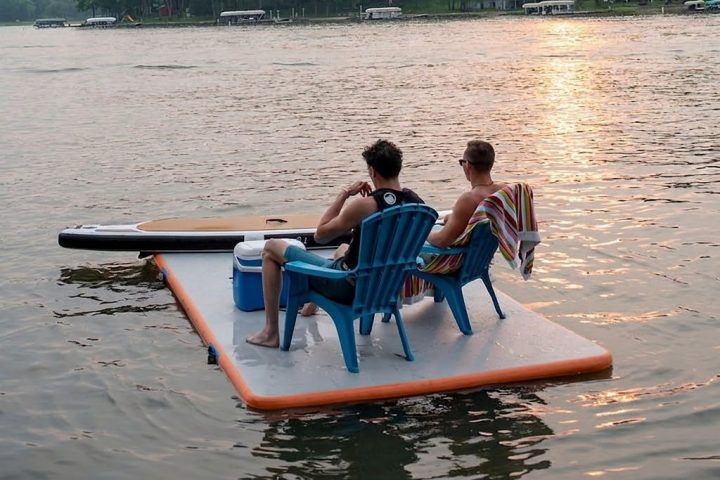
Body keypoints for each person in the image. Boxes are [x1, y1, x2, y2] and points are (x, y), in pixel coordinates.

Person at [246, 139, 424, 348]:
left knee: (271, 248)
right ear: (398, 168)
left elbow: (321, 235)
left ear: (372, 172)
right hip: (386, 287)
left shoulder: (365, 205)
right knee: (343, 249)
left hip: (348, 288)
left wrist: (345, 194)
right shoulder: (417, 205)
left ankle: (270, 333)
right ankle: (311, 306)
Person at [426, 140, 506, 250]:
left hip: (457, 264)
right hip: (481, 259)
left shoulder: (469, 200)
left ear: (467, 164)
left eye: (461, 162)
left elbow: (441, 240)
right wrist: (453, 218)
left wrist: (423, 234)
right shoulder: (503, 191)